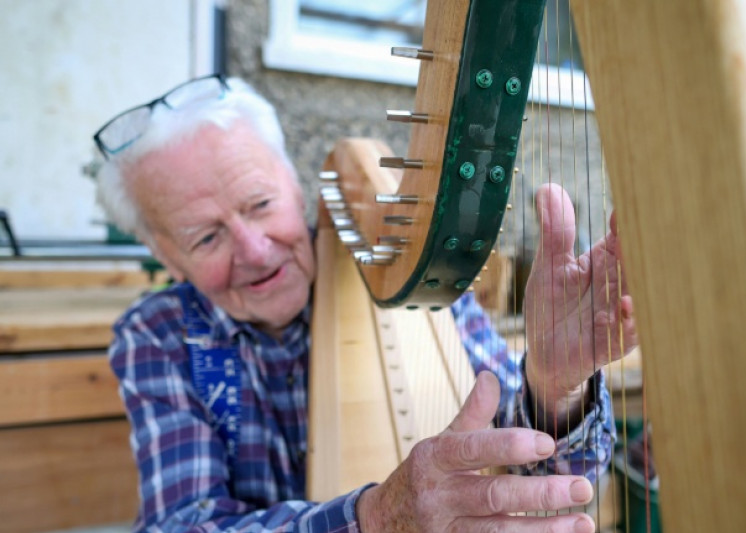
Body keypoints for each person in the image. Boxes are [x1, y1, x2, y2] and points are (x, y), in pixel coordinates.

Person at [93, 74, 636, 532]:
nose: (255, 251)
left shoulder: (404, 271)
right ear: (166, 254)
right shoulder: (158, 335)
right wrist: (373, 516)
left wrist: (554, 388)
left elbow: (561, 483)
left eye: (260, 204)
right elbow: (183, 523)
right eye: (206, 238)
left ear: (298, 187)